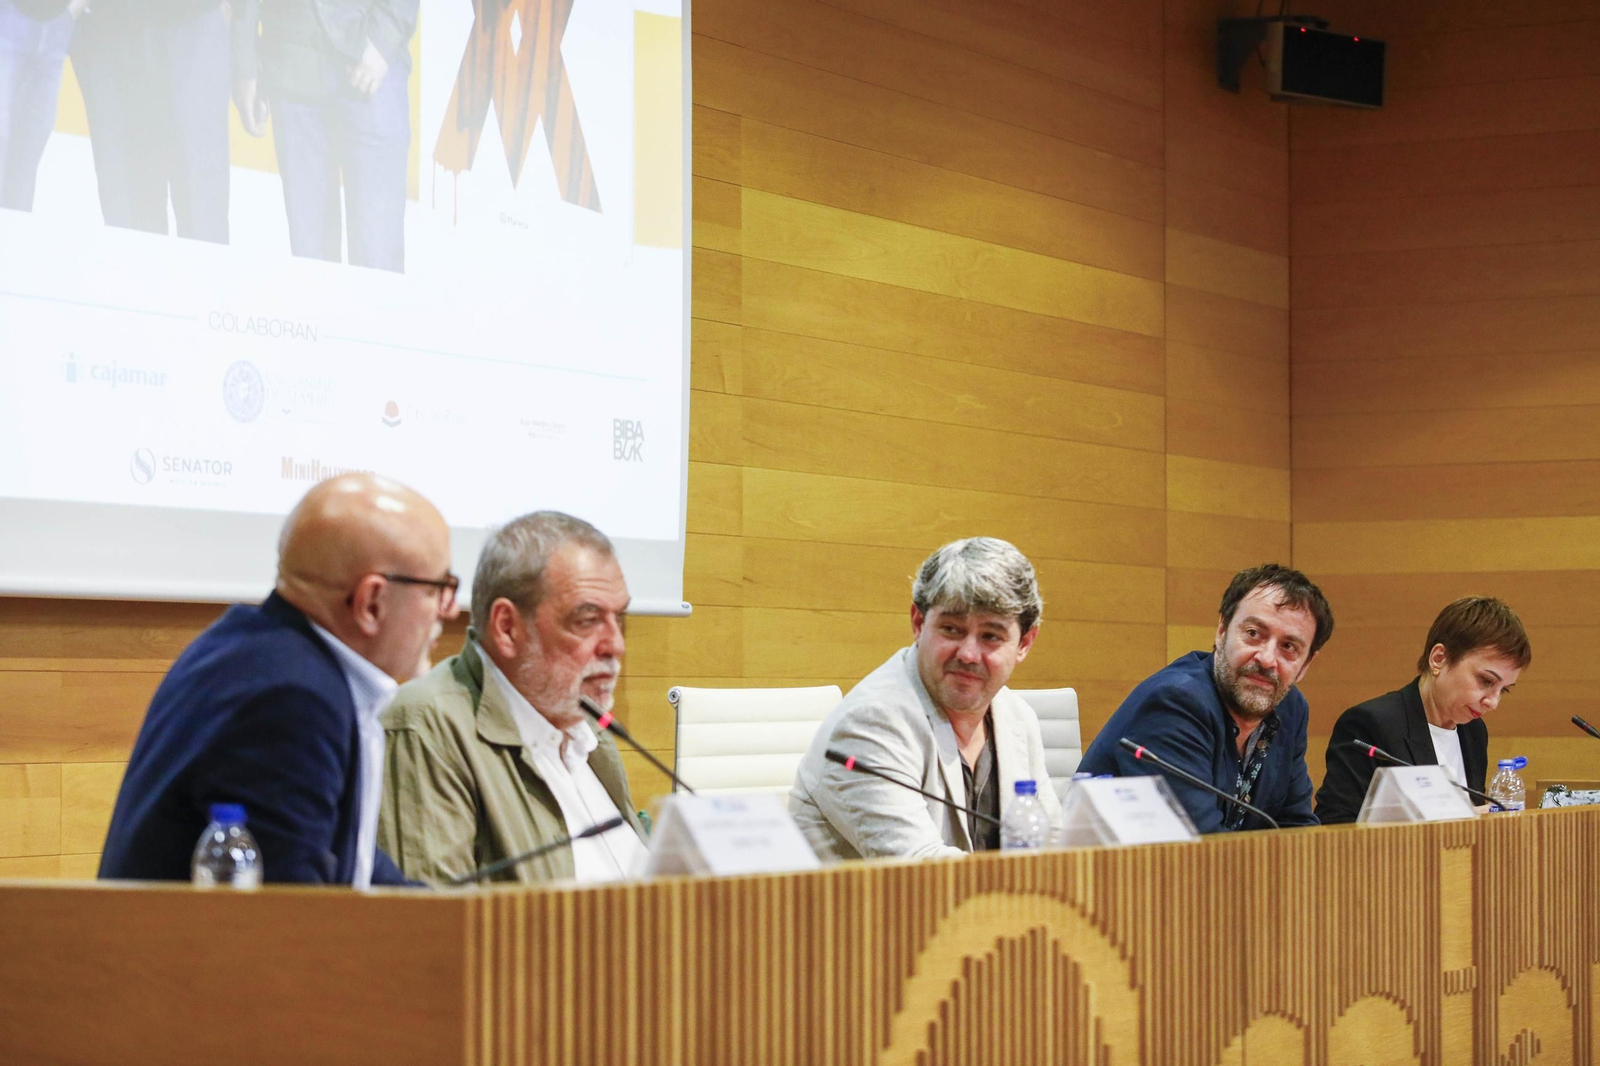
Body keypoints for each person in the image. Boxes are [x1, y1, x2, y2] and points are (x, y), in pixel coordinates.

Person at [99, 473, 457, 885]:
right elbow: (290, 919)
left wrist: (451, 919)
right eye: (438, 589)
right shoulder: (292, 699)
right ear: (371, 603)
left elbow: (348, 861)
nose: (447, 611)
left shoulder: (258, 652)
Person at [378, 511, 647, 885]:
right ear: (507, 628)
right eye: (587, 620)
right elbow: (432, 928)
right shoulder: (427, 728)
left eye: (620, 619)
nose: (615, 645)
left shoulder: (587, 730)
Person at [789, 537, 1064, 862]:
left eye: (991, 636)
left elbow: (1052, 844)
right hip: (870, 911)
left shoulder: (1016, 717)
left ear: (1024, 644)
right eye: (952, 629)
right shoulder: (871, 722)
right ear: (919, 623)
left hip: (989, 909)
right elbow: (921, 872)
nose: (968, 654)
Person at [1078, 563, 1333, 833]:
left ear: (1305, 664)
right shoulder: (1176, 703)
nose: (1267, 659)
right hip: (1117, 872)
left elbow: (1296, 827)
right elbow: (1200, 847)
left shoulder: (1290, 708)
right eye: (1253, 634)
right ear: (1222, 630)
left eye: (1289, 647)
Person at [231, 0, 418, 271]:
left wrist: (384, 34)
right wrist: (244, 63)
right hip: (290, 58)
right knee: (311, 265)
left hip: (370, 56)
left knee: (377, 263)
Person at [1315, 597, 1530, 824]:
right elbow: (1335, 825)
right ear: (1439, 659)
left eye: (1503, 690)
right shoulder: (1371, 724)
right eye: (1486, 680)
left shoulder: (1474, 731)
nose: (1493, 702)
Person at [71, 0, 232, 241]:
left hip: (195, 21)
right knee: (130, 208)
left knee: (201, 204)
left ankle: (203, 278)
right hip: (109, 25)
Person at [0, 0, 83, 211]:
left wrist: (72, 11)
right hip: (9, 14)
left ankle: (13, 232)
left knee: (32, 139)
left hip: (57, 23)